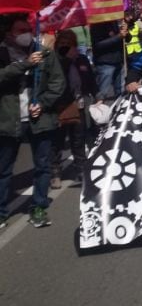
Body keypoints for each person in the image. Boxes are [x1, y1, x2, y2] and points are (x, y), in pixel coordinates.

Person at [0, 16, 66, 228]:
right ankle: (1, 212)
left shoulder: (45, 52)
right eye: (21, 30)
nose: (26, 33)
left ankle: (39, 207)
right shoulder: (2, 52)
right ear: (10, 33)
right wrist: (25, 65)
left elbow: (58, 82)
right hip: (9, 120)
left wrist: (43, 104)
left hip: (40, 119)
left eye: (28, 29)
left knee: (42, 166)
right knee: (4, 169)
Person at [49, 29, 94, 189]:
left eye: (71, 45)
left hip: (78, 105)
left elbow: (90, 79)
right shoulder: (53, 61)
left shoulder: (81, 60)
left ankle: (81, 170)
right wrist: (65, 59)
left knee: (78, 140)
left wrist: (97, 96)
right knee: (57, 142)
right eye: (63, 45)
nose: (67, 48)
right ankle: (55, 173)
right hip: (58, 107)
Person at [89, 19, 127, 100]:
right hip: (105, 63)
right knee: (103, 93)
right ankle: (100, 111)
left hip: (118, 61)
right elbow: (98, 45)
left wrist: (126, 31)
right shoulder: (96, 24)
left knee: (121, 92)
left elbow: (125, 39)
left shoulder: (115, 22)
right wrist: (118, 36)